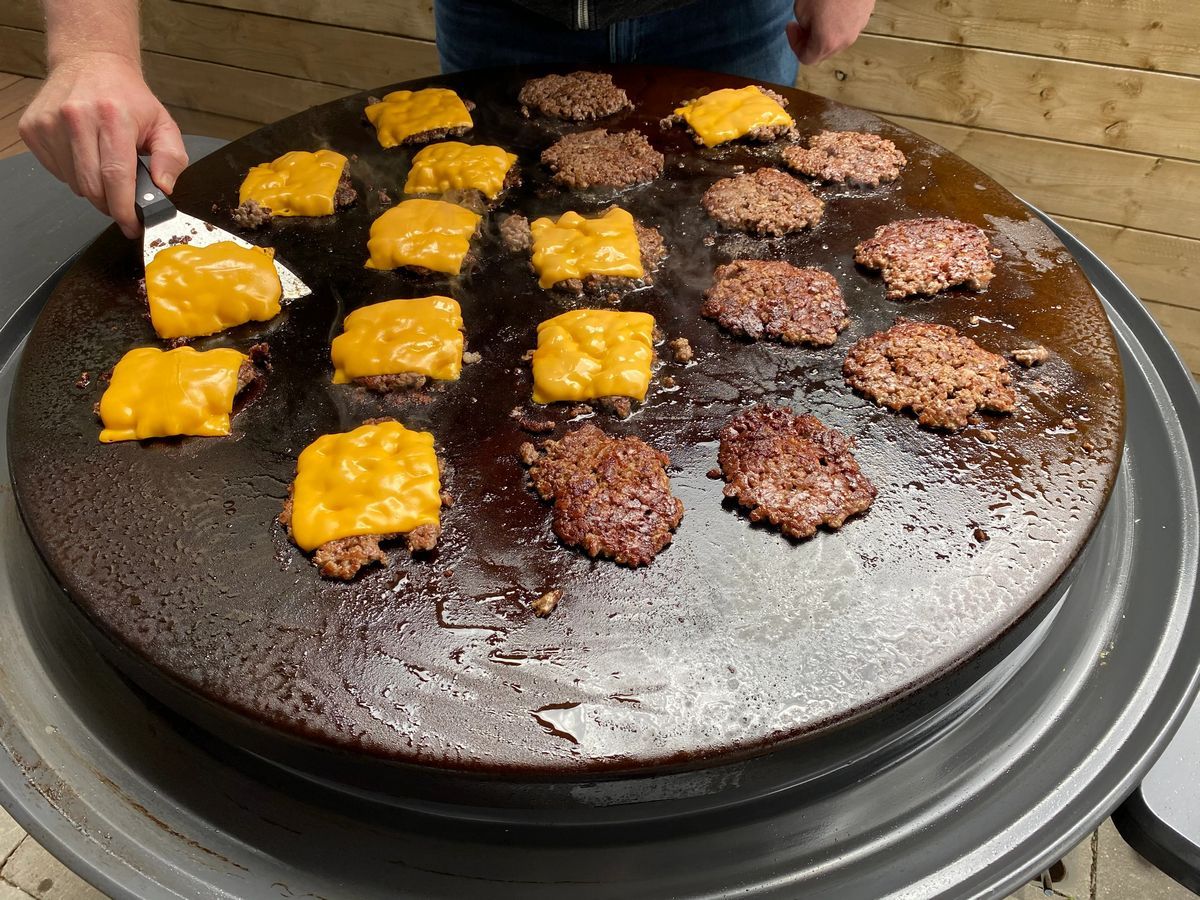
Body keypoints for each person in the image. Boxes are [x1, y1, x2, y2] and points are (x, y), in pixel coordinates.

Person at [19, 0, 874, 239]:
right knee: (476, 223)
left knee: (736, 236)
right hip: (499, 9)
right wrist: (90, 43)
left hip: (727, 13)